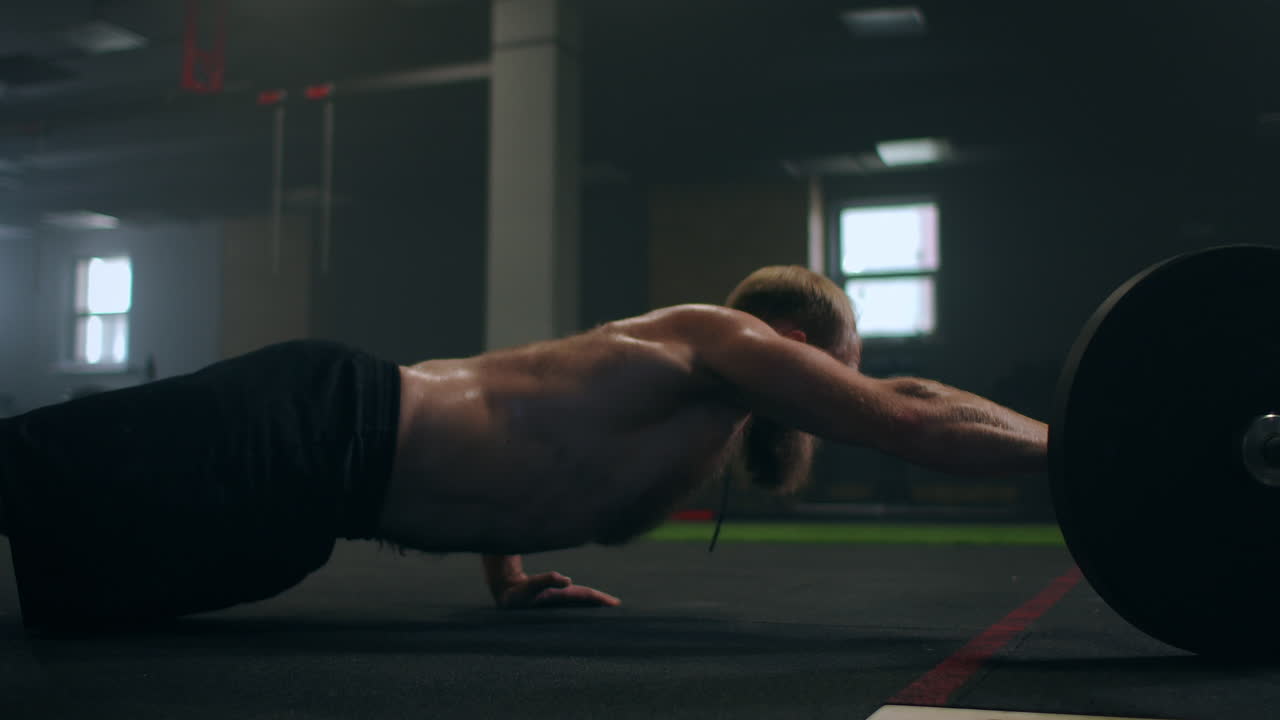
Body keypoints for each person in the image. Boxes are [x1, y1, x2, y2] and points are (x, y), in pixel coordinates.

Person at [0, 266, 1046, 628]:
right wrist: (1073, 446)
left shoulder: (697, 414)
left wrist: (502, 575)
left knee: (71, 592)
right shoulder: (709, 340)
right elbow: (905, 415)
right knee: (26, 475)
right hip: (310, 421)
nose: (843, 395)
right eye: (839, 368)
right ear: (792, 343)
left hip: (306, 520)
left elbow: (515, 425)